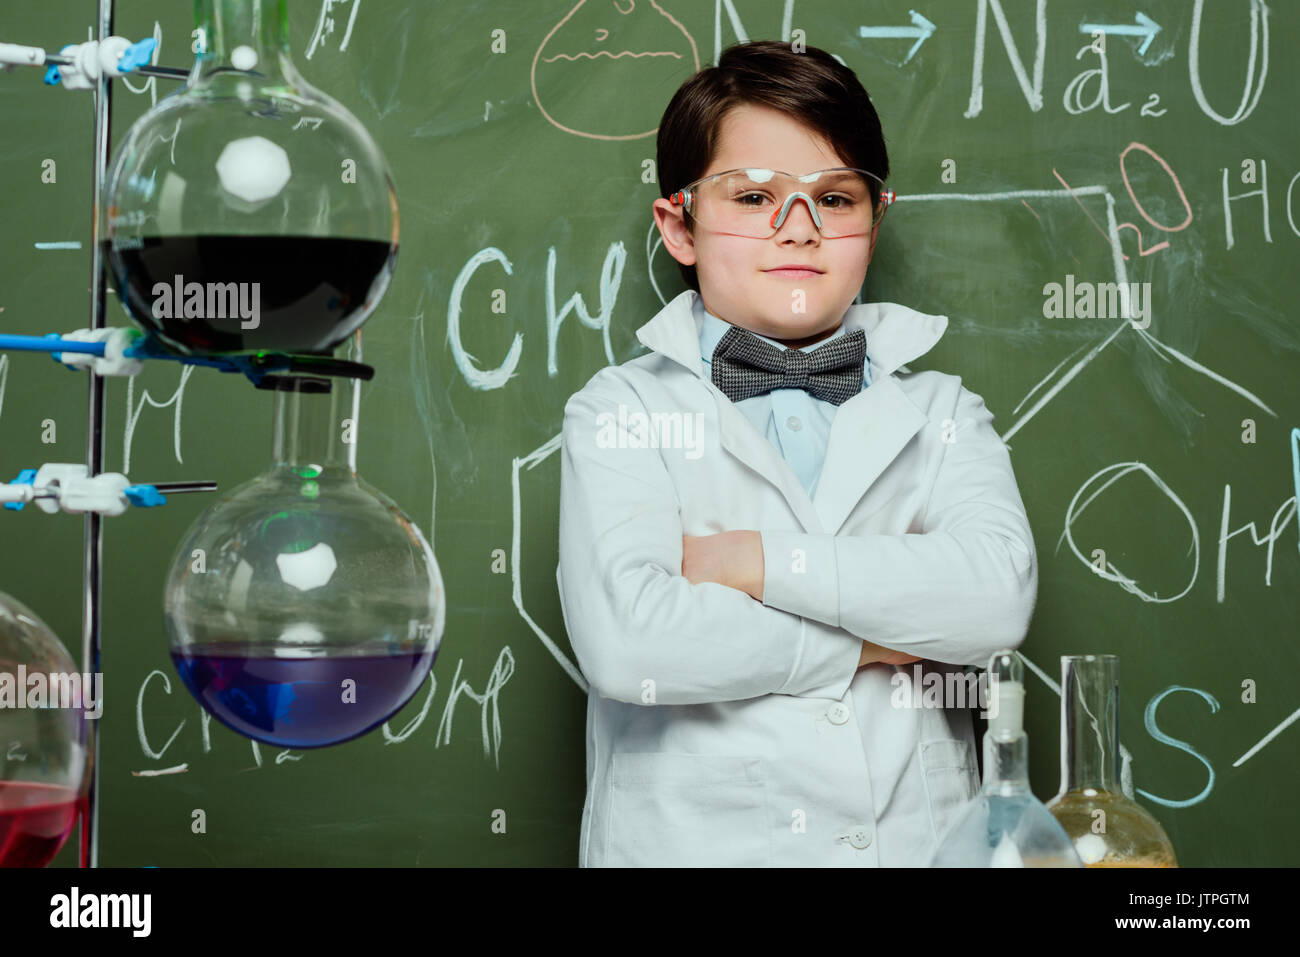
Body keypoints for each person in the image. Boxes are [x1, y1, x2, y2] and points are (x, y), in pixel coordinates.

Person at [556, 40, 1037, 867]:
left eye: (835, 198)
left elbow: (994, 603)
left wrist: (749, 561)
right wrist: (876, 642)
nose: (800, 230)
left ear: (875, 222)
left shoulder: (943, 411)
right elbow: (633, 645)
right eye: (752, 196)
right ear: (679, 224)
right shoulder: (620, 410)